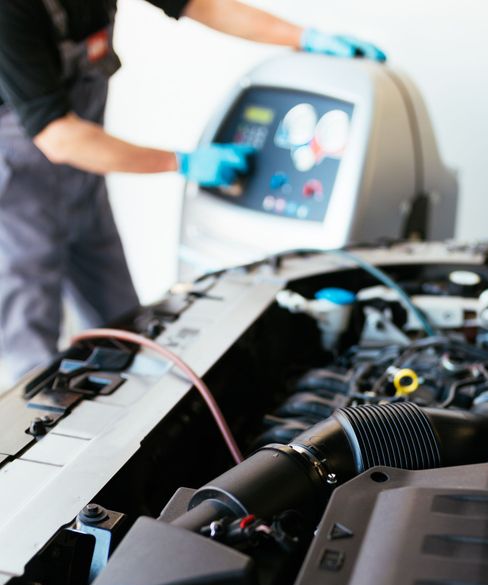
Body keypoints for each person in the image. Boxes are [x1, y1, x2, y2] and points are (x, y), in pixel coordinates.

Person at [0, 0, 386, 382]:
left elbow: (199, 3)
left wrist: (302, 37)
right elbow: (59, 137)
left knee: (124, 326)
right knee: (31, 349)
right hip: (19, 189)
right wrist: (181, 162)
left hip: (84, 182)